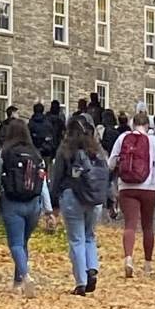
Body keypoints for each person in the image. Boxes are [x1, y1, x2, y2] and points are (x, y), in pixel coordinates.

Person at [109, 111, 155, 278]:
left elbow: (111, 163)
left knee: (129, 225)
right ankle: (147, 264)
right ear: (147, 126)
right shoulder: (153, 141)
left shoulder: (122, 138)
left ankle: (129, 258)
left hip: (126, 187)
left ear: (133, 124)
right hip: (148, 187)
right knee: (147, 226)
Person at [0, 118, 51, 296]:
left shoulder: (4, 152)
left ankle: (25, 276)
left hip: (12, 202)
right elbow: (43, 184)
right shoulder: (36, 154)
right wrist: (48, 209)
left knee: (16, 244)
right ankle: (18, 282)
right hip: (33, 204)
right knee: (23, 243)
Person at [51, 117, 109, 295]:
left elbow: (57, 177)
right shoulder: (96, 150)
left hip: (72, 196)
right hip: (94, 197)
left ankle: (81, 282)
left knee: (76, 239)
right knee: (90, 236)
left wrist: (54, 203)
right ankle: (92, 268)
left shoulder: (65, 149)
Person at [28, 102, 58, 167]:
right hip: (46, 150)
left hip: (34, 150)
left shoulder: (31, 123)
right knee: (46, 169)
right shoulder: (48, 122)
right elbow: (53, 137)